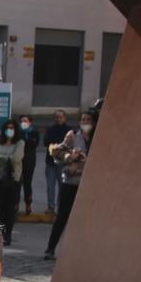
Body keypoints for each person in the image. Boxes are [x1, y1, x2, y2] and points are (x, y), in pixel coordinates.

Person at [43, 111, 92, 260]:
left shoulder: (98, 137)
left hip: (88, 185)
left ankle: (79, 252)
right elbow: (57, 153)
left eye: (88, 120)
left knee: (84, 220)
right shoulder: (73, 136)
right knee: (62, 217)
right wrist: (70, 158)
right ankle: (50, 249)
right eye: (83, 119)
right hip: (70, 182)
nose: (85, 122)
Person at [0, 121, 23, 244]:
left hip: (13, 179)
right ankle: (1, 233)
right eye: (8, 128)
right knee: (1, 207)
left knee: (10, 208)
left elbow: (16, 158)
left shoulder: (20, 143)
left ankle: (8, 233)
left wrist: (2, 157)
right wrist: (7, 159)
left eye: (12, 128)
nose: (10, 130)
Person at [41, 109, 70, 213]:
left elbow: (68, 144)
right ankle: (51, 206)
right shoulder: (50, 129)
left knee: (62, 186)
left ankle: (59, 206)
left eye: (61, 117)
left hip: (63, 163)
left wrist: (56, 144)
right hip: (50, 162)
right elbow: (46, 142)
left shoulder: (69, 131)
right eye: (57, 117)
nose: (59, 119)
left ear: (65, 118)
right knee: (50, 186)